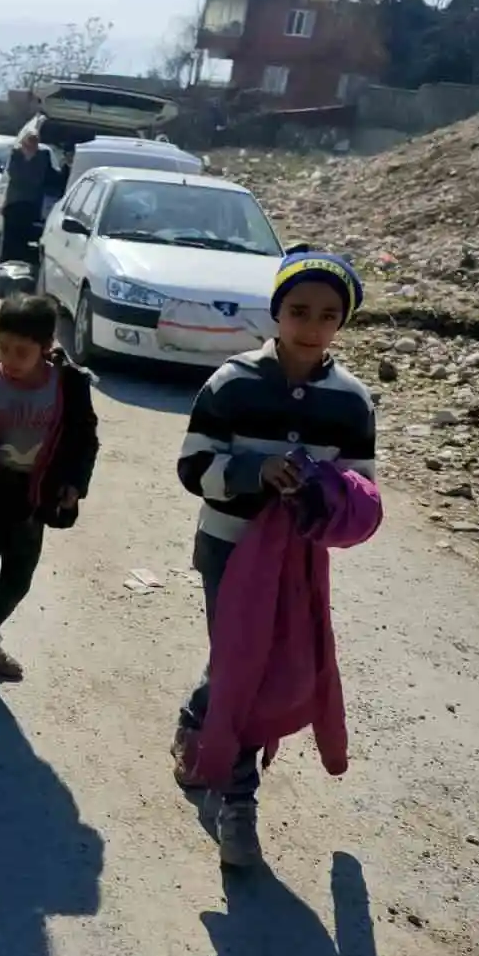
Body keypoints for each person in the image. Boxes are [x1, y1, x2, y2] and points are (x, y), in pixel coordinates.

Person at [173, 252, 377, 867]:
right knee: (244, 663)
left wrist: (323, 491)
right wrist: (255, 471)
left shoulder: (352, 400)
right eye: (298, 311)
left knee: (253, 662)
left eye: (327, 315)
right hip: (229, 549)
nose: (311, 325)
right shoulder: (232, 383)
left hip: (298, 562)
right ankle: (237, 806)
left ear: (341, 323)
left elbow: (361, 487)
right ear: (276, 313)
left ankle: (196, 721)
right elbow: (193, 467)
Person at [0, 294, 99, 705]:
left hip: (33, 499)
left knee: (17, 580)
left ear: (46, 348)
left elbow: (84, 440)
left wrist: (74, 484)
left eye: (22, 351)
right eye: (3, 347)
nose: (10, 358)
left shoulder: (69, 385)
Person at [0, 129, 51, 262]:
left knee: (23, 240)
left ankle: (19, 265)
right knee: (8, 239)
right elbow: (14, 175)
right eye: (28, 144)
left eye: (33, 145)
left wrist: (30, 161)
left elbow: (38, 179)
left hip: (30, 204)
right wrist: (26, 160)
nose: (30, 148)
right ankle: (5, 264)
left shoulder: (42, 157)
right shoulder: (16, 155)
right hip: (13, 203)